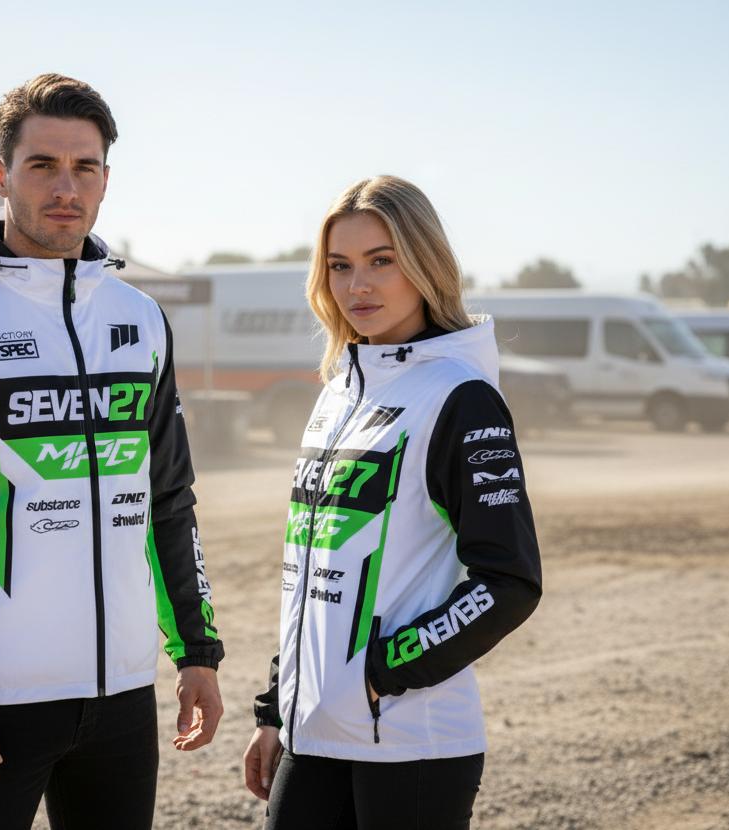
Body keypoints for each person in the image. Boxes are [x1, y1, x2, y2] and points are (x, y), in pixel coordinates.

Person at [0, 74, 224, 830]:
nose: (66, 188)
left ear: (106, 179)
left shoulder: (140, 317)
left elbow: (169, 500)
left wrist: (197, 649)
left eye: (85, 167)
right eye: (43, 166)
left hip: (123, 696)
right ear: (1, 176)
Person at [242, 176, 542, 829]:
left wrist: (379, 672)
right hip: (313, 731)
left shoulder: (461, 396)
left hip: (413, 743)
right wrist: (276, 708)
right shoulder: (337, 394)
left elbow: (510, 580)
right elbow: (314, 571)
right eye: (340, 266)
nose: (359, 286)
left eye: (382, 261)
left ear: (424, 264)